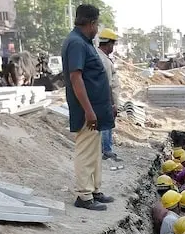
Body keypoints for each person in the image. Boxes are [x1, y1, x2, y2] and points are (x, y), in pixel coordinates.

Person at [61, 4, 115, 211]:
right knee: (85, 151)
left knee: (94, 151)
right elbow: (76, 78)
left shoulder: (84, 42)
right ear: (91, 23)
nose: (97, 29)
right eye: (97, 24)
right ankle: (83, 196)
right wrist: (89, 110)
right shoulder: (76, 43)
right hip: (86, 111)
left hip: (96, 109)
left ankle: (93, 190)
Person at [97, 28, 121, 161]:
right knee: (106, 124)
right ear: (109, 44)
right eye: (113, 44)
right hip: (105, 100)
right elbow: (108, 84)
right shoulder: (104, 61)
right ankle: (107, 149)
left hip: (101, 99)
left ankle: (105, 148)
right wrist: (113, 104)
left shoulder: (99, 56)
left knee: (105, 124)